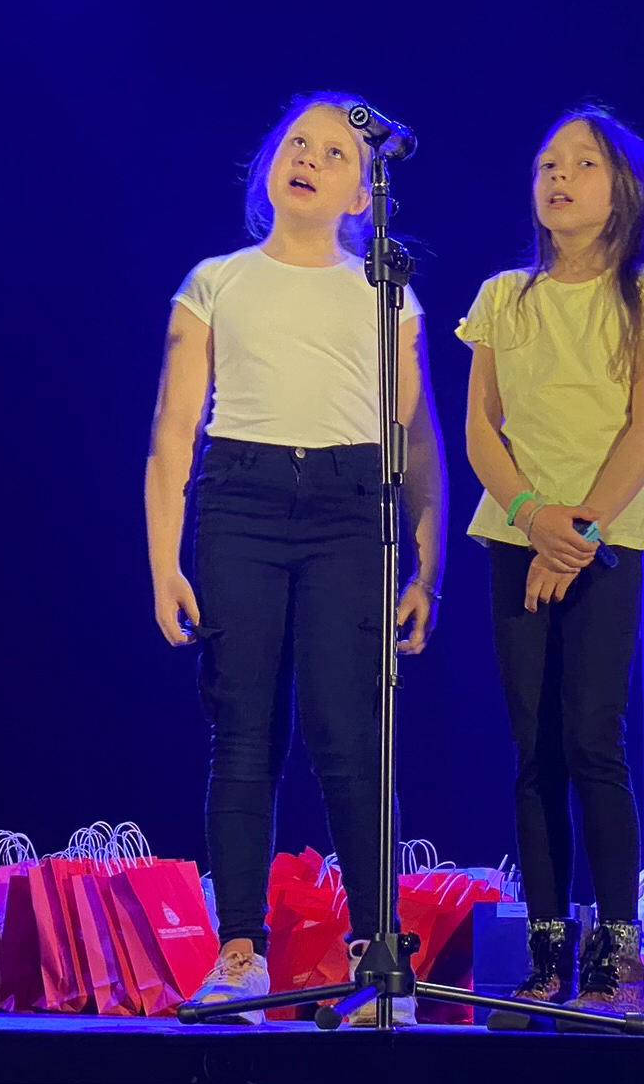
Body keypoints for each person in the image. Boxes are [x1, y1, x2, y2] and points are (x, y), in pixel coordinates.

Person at [145, 92, 447, 1026]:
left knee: (347, 731)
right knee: (241, 729)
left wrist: (426, 567)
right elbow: (172, 432)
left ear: (363, 194)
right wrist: (163, 561)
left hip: (350, 508)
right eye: (296, 144)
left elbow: (417, 438)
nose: (309, 158)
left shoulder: (385, 291)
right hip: (241, 499)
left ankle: (377, 957)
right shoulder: (215, 281)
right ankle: (240, 952)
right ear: (269, 167)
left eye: (334, 153)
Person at [459, 107, 644, 1022]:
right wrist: (532, 518)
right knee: (533, 751)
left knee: (593, 741)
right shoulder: (502, 296)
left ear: (622, 188)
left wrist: (576, 534)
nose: (558, 178)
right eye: (546, 164)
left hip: (607, 537)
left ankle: (616, 959)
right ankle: (546, 952)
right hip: (517, 534)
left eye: (581, 164)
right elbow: (480, 430)